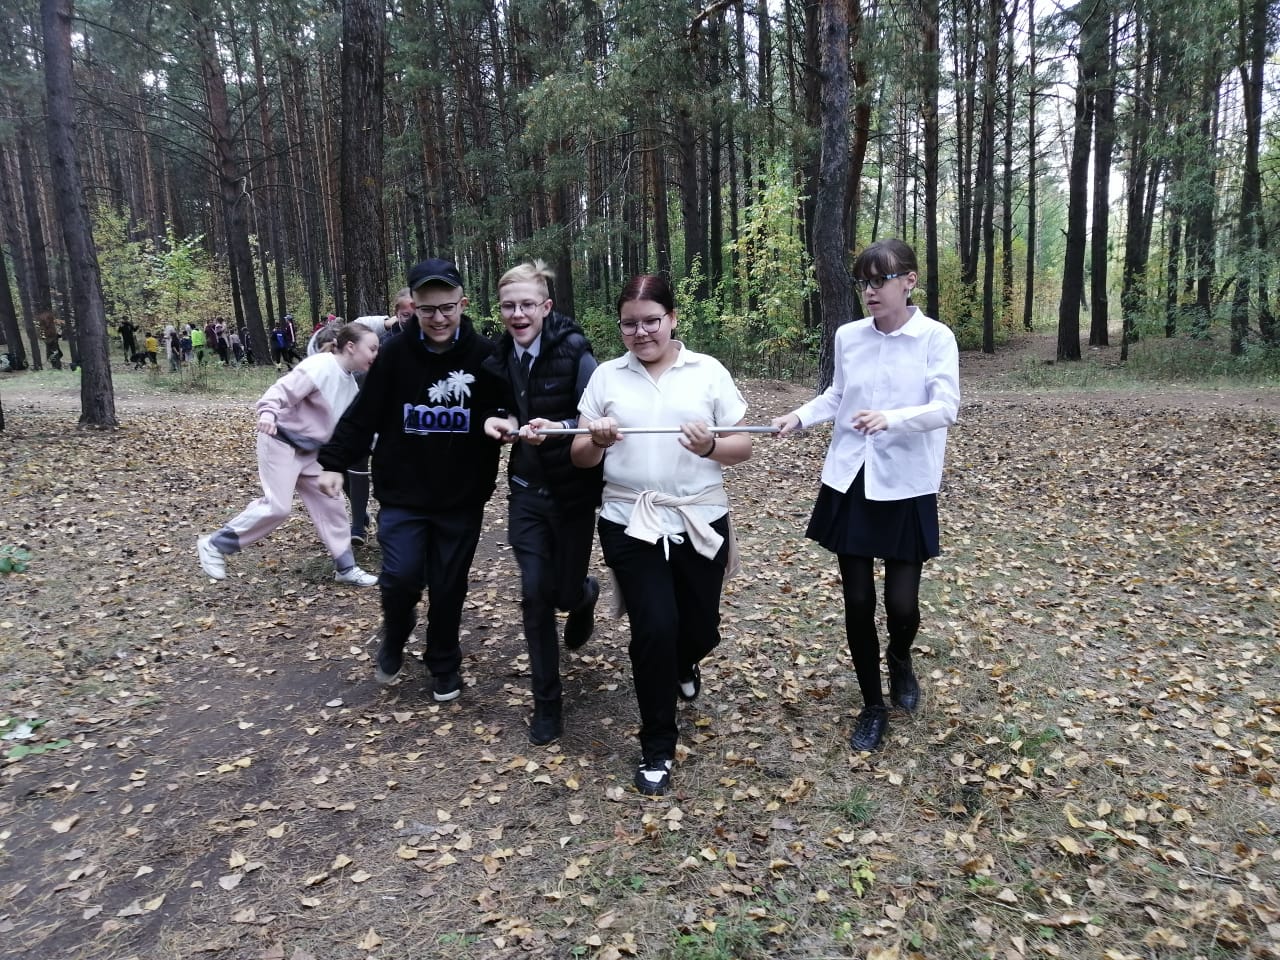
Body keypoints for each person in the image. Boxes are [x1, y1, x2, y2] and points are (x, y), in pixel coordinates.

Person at [772, 239, 960, 753]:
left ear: (909, 281)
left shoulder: (935, 337)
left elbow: (946, 407)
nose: (871, 291)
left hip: (906, 482)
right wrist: (799, 417)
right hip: (851, 478)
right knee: (857, 601)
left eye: (881, 280)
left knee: (902, 605)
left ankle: (900, 657)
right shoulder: (848, 336)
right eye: (864, 282)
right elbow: (837, 395)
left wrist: (891, 419)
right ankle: (872, 705)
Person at [571, 274, 752, 796]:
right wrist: (597, 440)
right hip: (630, 519)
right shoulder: (606, 377)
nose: (641, 332)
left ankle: (685, 661)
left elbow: (742, 446)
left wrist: (709, 447)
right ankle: (657, 746)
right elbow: (579, 456)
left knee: (700, 627)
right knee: (653, 627)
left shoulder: (707, 371)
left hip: (699, 515)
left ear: (672, 319)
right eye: (629, 324)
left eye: (651, 320)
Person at [317, 259, 506, 703]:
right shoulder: (394, 354)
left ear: (462, 304)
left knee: (448, 585)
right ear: (413, 308)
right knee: (400, 577)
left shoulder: (484, 354)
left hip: (461, 495)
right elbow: (364, 414)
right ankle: (396, 632)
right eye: (427, 310)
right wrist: (333, 461)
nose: (438, 318)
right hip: (403, 492)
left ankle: (444, 661)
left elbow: (503, 405)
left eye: (446, 308)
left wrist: (501, 419)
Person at [481, 260, 603, 745]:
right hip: (527, 492)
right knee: (535, 595)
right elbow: (497, 403)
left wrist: (561, 428)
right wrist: (498, 420)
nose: (517, 314)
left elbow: (596, 414)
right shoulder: (498, 355)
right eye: (508, 306)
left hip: (572, 492)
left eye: (527, 305)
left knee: (563, 593)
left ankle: (584, 596)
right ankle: (547, 704)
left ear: (546, 307)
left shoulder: (576, 351)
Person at [197, 323, 381, 586]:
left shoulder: (350, 385)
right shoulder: (320, 366)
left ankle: (345, 567)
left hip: (311, 452)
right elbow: (281, 391)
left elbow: (354, 429)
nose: (376, 354)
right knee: (277, 507)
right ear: (351, 347)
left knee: (332, 503)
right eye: (372, 348)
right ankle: (215, 544)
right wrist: (268, 413)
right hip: (280, 441)